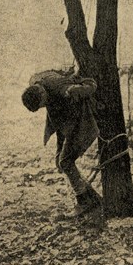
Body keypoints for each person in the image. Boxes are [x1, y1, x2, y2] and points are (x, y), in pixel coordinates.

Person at [22, 69, 101, 216]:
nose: (44, 106)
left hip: (83, 121)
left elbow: (91, 86)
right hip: (67, 124)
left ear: (43, 94)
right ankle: (91, 198)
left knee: (65, 162)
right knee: (61, 162)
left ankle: (85, 202)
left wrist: (78, 87)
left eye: (43, 104)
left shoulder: (62, 88)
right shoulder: (35, 80)